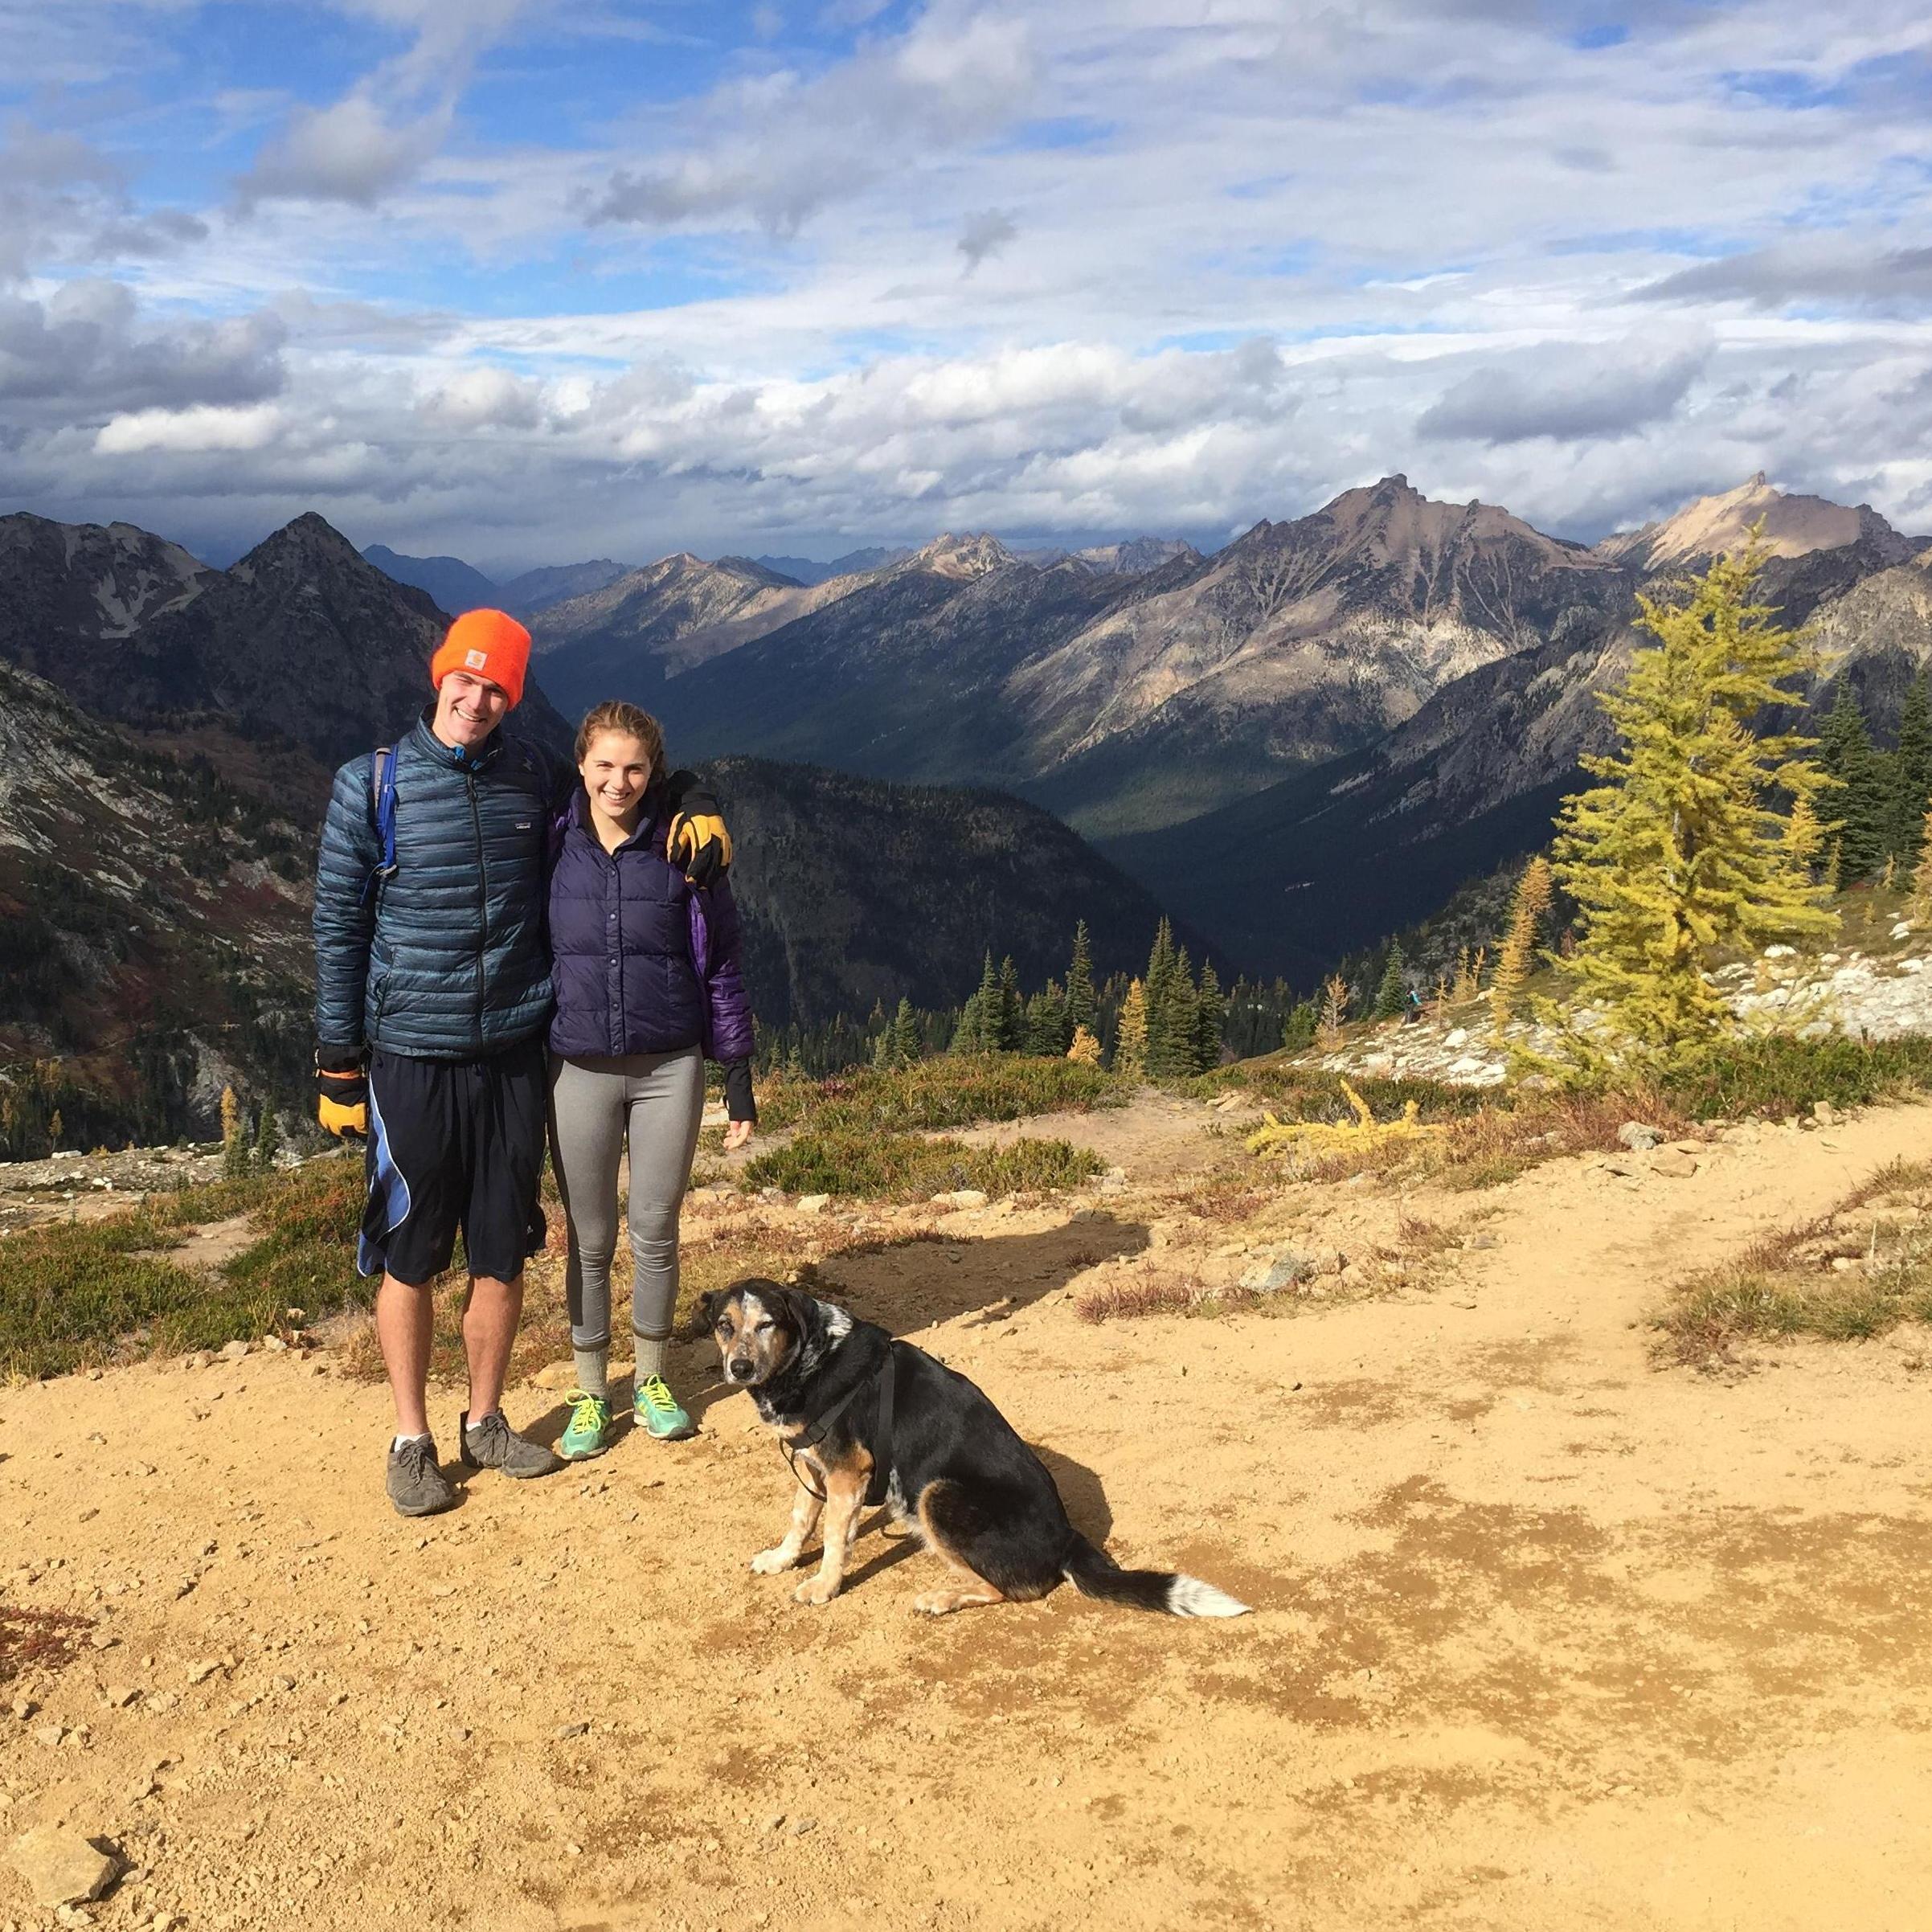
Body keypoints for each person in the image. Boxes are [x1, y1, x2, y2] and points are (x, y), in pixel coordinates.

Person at [312, 612, 732, 1517]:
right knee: (411, 1250)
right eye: (466, 680)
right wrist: (338, 1063)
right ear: (438, 678)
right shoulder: (370, 785)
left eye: (497, 685)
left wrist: (693, 797)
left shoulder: (532, 773)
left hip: (512, 1049)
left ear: (513, 696)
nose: (478, 698)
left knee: (502, 1246)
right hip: (411, 1052)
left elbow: (619, 790)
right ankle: (410, 1436)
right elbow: (337, 927)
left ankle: (488, 1420)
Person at [545, 699, 756, 1460]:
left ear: (653, 771)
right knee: (590, 1242)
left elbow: (723, 961)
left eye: (635, 767)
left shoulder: (686, 847)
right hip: (577, 1067)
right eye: (604, 765)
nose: (619, 781)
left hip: (671, 1065)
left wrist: (738, 1072)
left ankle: (653, 1381)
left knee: (657, 1232)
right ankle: (590, 1390)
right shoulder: (552, 839)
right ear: (581, 766)